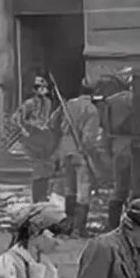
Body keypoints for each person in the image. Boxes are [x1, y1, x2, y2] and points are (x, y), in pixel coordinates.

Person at [55, 80, 102, 237]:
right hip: (80, 153)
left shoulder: (68, 105)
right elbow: (89, 138)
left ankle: (68, 227)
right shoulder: (91, 109)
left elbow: (56, 125)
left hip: (65, 150)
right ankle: (78, 229)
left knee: (69, 189)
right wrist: (91, 154)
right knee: (83, 191)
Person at [96, 71, 136, 231]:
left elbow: (105, 128)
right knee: (136, 187)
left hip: (117, 146)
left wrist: (106, 149)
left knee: (119, 186)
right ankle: (133, 225)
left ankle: (112, 225)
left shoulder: (111, 101)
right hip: (137, 146)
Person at [13, 76, 58, 203]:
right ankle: (37, 197)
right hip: (33, 137)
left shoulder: (48, 102)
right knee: (38, 168)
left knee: (47, 166)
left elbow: (47, 118)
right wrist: (24, 129)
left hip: (45, 136)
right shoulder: (29, 104)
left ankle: (43, 195)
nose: (44, 90)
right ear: (36, 89)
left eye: (45, 88)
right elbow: (16, 118)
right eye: (41, 88)